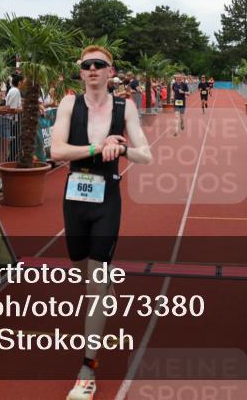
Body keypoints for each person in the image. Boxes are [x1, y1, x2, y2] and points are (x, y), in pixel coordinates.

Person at [50, 46, 152, 400]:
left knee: (94, 287)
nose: (92, 69)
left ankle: (87, 368)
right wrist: (97, 148)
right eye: (86, 65)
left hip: (107, 199)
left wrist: (121, 149)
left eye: (100, 65)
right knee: (83, 271)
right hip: (75, 197)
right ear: (81, 72)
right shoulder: (69, 104)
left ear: (111, 72)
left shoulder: (125, 108)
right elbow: (57, 152)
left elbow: (147, 155)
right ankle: (105, 288)